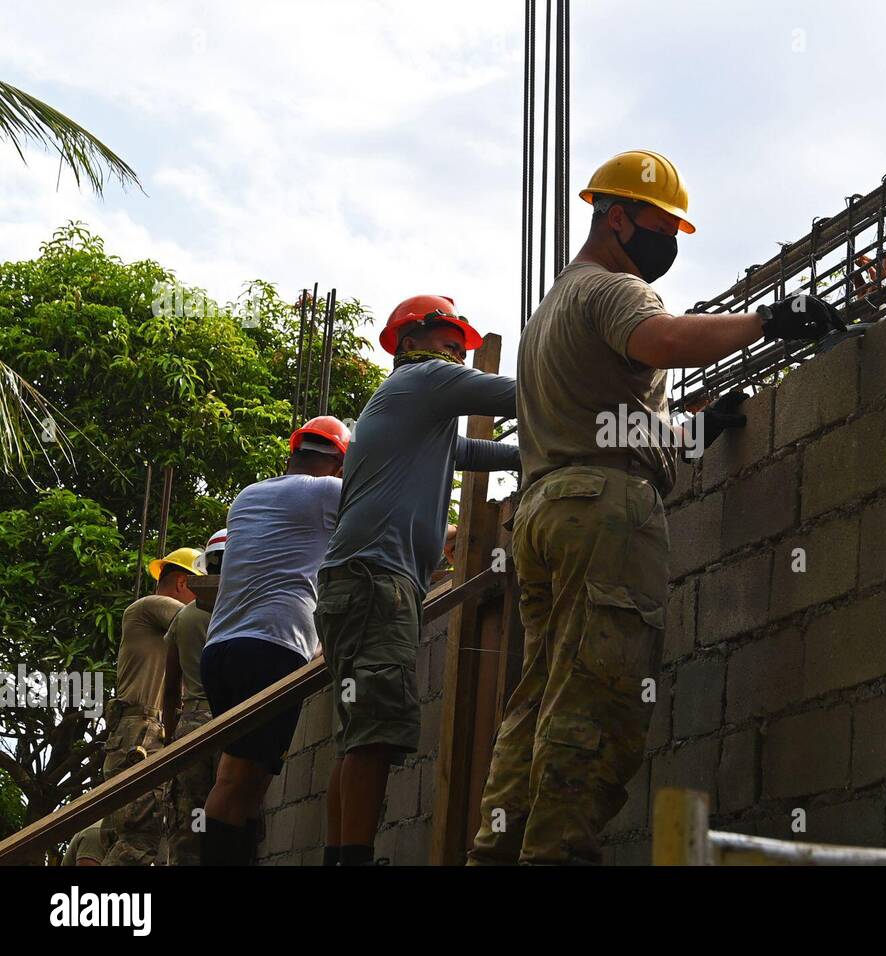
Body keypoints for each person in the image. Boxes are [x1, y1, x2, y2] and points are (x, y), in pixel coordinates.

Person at [468, 149, 842, 865]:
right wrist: (770, 319)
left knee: (541, 693)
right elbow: (665, 340)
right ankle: (556, 855)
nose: (667, 239)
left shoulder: (550, 309)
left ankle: (498, 851)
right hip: (602, 515)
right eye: (660, 224)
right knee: (597, 700)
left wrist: (691, 434)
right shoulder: (614, 290)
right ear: (616, 218)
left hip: (545, 510)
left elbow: (604, 417)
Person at [316, 296, 518, 866]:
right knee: (375, 734)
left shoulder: (417, 419)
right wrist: (588, 394)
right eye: (446, 336)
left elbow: (474, 451)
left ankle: (341, 859)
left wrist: (532, 457)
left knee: (358, 737)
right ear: (408, 344)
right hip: (376, 581)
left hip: (357, 581)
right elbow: (525, 394)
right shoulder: (424, 382)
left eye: (463, 341)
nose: (457, 348)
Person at [199, 417, 350, 866]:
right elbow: (384, 516)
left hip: (222, 649)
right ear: (339, 464)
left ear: (294, 452)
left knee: (247, 782)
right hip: (270, 648)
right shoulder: (326, 493)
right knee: (235, 784)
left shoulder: (248, 495)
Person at [101, 546, 201, 866]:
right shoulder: (149, 606)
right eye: (203, 590)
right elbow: (200, 622)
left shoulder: (175, 638)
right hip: (142, 731)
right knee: (139, 839)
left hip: (152, 729)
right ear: (183, 583)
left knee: (155, 835)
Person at [158, 528, 226, 865]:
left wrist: (171, 739)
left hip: (192, 726)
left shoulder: (184, 617)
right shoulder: (242, 610)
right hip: (236, 720)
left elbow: (170, 689)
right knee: (232, 816)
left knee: (190, 825)